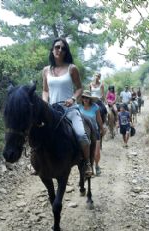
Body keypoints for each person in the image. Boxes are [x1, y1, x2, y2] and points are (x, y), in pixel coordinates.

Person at [42, 38, 92, 176]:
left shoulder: (72, 68)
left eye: (63, 48)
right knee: (38, 133)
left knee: (81, 135)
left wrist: (73, 98)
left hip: (70, 110)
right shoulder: (46, 70)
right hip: (52, 111)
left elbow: (80, 88)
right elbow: (45, 90)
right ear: (52, 50)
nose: (60, 50)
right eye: (57, 47)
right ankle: (39, 164)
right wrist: (45, 103)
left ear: (66, 52)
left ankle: (87, 162)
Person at [78, 90, 105, 176]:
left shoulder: (95, 107)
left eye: (87, 98)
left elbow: (99, 119)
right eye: (84, 97)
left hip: (94, 130)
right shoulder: (79, 107)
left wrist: (102, 128)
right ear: (82, 98)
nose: (85, 99)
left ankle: (96, 165)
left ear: (90, 99)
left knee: (96, 151)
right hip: (82, 131)